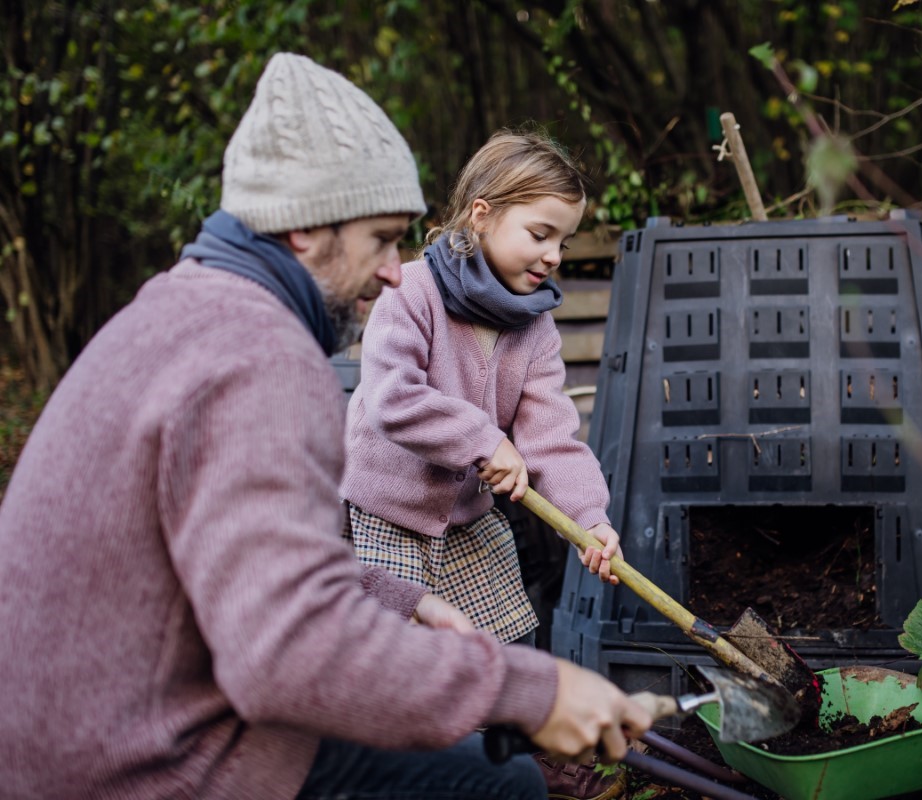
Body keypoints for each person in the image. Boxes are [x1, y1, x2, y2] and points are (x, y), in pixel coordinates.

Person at [0, 53, 649, 800]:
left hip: (104, 729)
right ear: (306, 232)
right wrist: (530, 692)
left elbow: (244, 578)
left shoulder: (176, 311)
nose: (394, 271)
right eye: (380, 239)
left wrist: (400, 602)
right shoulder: (263, 360)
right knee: (502, 791)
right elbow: (287, 655)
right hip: (141, 766)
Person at [340, 131, 622, 650]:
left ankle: (509, 730)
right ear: (481, 215)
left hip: (466, 526)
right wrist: (485, 440)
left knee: (508, 656)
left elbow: (551, 441)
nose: (554, 255)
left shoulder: (535, 328)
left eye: (563, 242)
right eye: (540, 234)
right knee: (397, 662)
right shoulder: (410, 293)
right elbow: (392, 400)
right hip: (384, 517)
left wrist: (590, 520)